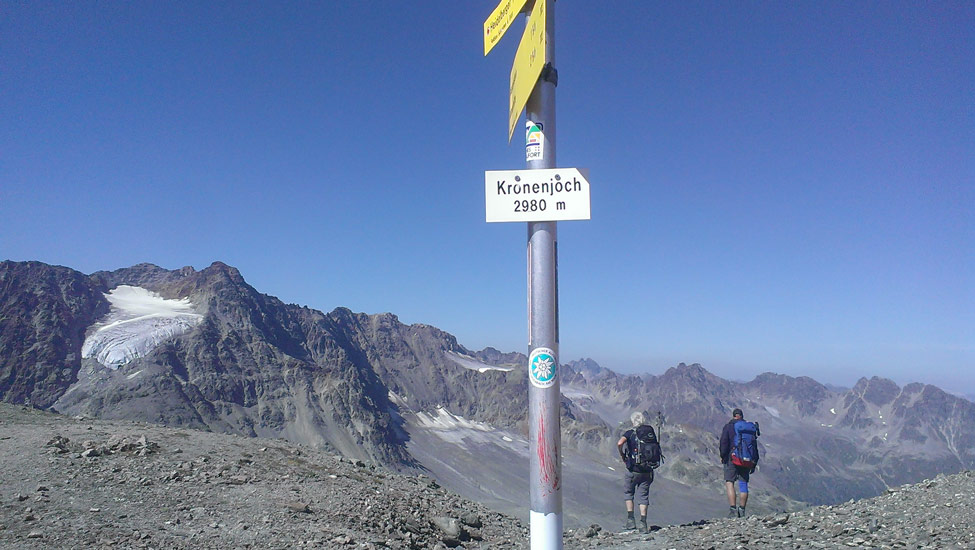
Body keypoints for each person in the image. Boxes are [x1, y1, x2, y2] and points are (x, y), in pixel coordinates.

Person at [617, 411, 655, 533]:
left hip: (633, 470)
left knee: (629, 493)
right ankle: (643, 524)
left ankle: (630, 521)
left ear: (633, 421)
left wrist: (622, 454)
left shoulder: (630, 433)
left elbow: (620, 443)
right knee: (643, 496)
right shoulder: (649, 433)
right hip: (647, 470)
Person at [719, 408, 760, 517]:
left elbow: (724, 442)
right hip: (746, 459)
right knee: (743, 484)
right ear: (741, 416)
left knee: (730, 482)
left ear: (733, 416)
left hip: (732, 458)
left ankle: (733, 509)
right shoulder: (749, 428)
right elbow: (754, 446)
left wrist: (723, 456)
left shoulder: (728, 427)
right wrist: (754, 462)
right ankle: (742, 510)